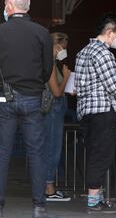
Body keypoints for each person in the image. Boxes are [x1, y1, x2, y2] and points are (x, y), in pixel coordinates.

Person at [0, 0, 55, 218]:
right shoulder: (42, 33)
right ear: (28, 6)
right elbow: (47, 70)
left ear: (8, 5)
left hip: (4, 99)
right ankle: (39, 207)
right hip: (33, 98)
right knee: (36, 153)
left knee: (2, 154)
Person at [75, 13, 116, 214]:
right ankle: (94, 201)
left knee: (94, 153)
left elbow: (78, 86)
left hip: (86, 112)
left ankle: (98, 197)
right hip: (103, 112)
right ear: (110, 33)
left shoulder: (82, 53)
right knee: (102, 155)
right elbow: (114, 87)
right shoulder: (103, 54)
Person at [44, 32, 71, 201]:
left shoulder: (48, 62)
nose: (64, 51)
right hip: (53, 109)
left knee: (49, 147)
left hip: (54, 109)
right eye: (63, 47)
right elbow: (56, 92)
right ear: (56, 46)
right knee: (53, 148)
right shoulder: (50, 64)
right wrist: (67, 76)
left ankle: (47, 186)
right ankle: (48, 188)